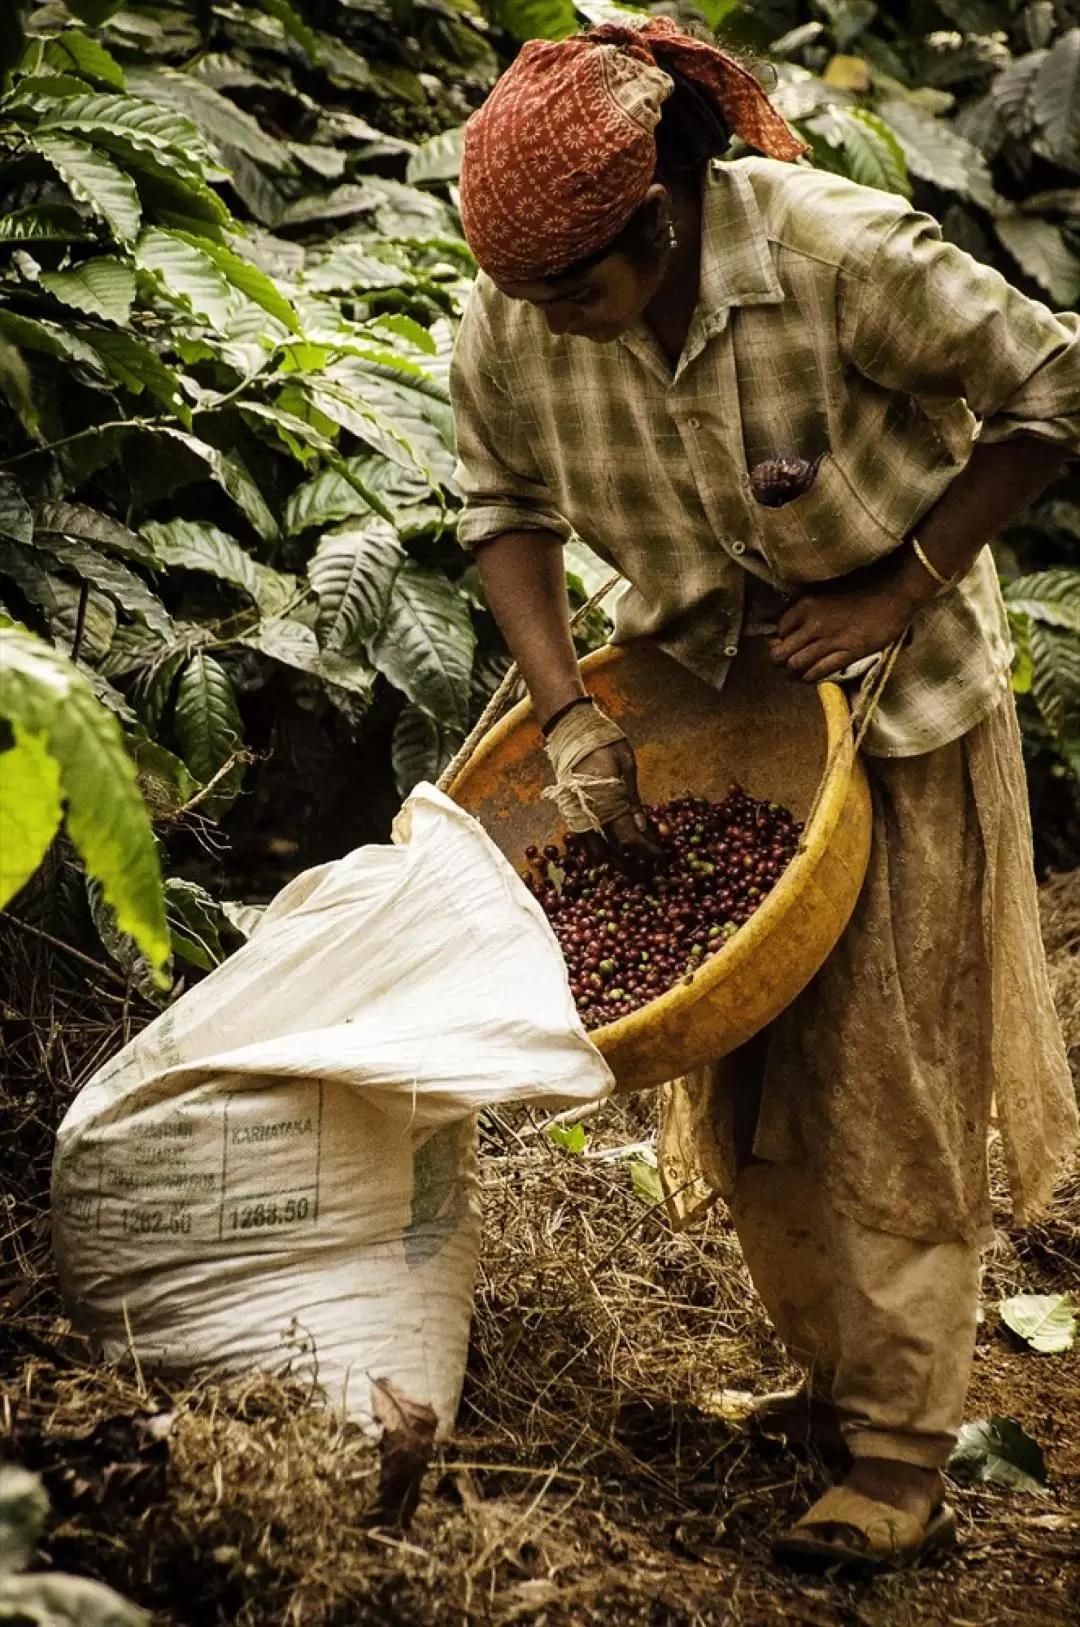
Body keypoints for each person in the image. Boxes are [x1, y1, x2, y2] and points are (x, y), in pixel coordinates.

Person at [449, 16, 1080, 1569]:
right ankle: (832, 1381)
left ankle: (900, 1453)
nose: (546, 324)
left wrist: (900, 582)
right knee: (759, 1091)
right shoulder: (519, 310)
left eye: (576, 293)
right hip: (707, 718)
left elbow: (1055, 390)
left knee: (889, 1085)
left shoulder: (840, 256)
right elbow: (500, 508)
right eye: (522, 297)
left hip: (898, 714)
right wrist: (565, 710)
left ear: (657, 222)